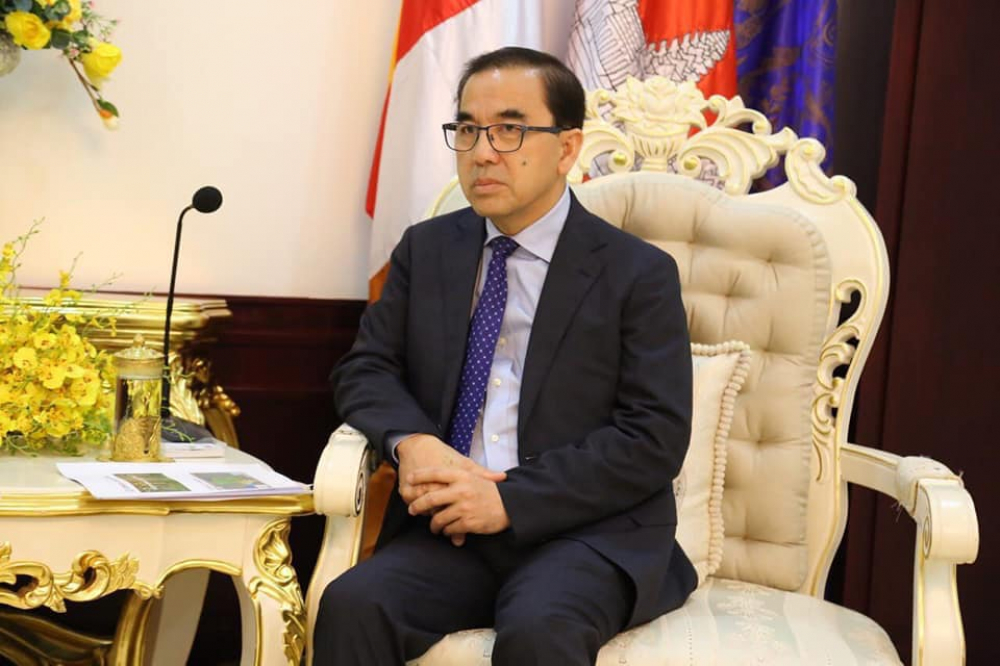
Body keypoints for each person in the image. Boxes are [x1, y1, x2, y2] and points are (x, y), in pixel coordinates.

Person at [314, 46, 696, 665]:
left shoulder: (637, 272)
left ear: (566, 148)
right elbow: (366, 368)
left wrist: (510, 499)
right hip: (453, 530)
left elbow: (654, 436)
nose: (483, 152)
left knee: (541, 630)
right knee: (354, 603)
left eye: (509, 130)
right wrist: (412, 442)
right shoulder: (428, 249)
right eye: (467, 130)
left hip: (586, 534)